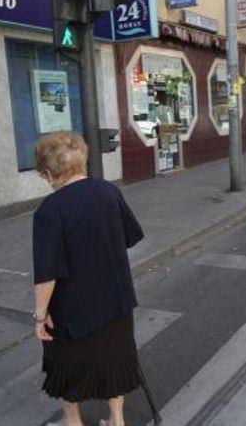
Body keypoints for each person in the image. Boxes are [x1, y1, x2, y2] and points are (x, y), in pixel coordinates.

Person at [32, 132, 144, 426]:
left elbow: (47, 273)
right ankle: (117, 419)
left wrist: (40, 314)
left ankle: (74, 422)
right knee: (115, 361)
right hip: (115, 298)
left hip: (72, 308)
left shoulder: (50, 210)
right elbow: (130, 237)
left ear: (48, 173)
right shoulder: (108, 191)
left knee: (67, 367)